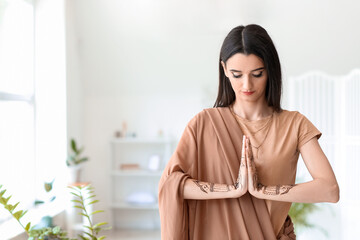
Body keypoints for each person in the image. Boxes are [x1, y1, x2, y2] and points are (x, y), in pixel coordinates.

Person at [158, 24, 339, 240]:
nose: (247, 84)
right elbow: (171, 185)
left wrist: (262, 190)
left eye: (257, 74)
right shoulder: (204, 123)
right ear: (224, 69)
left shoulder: (295, 124)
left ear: (269, 70)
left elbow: (330, 190)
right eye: (237, 74)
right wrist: (233, 190)